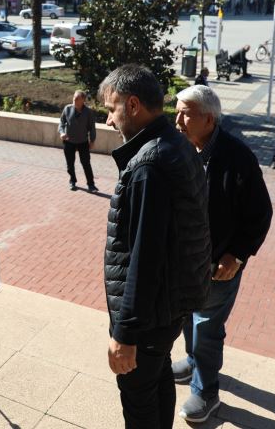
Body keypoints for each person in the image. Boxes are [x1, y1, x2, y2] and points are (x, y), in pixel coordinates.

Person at [99, 64, 211, 429]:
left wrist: (125, 334)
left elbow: (144, 257)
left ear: (133, 105)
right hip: (167, 308)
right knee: (157, 376)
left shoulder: (149, 164)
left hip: (150, 316)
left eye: (111, 109)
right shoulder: (176, 145)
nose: (109, 120)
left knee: (138, 399)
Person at [172, 85, 272, 423]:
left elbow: (260, 213)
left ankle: (206, 391)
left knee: (207, 328)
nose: (177, 120)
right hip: (185, 260)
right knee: (188, 316)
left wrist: (237, 254)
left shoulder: (237, 157)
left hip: (218, 264)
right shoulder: (183, 148)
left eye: (185, 114)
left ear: (209, 119)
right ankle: (192, 361)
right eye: (177, 111)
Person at [59, 90, 98, 192]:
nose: (74, 100)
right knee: (70, 164)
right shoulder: (67, 109)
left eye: (77, 99)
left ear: (83, 100)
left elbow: (92, 128)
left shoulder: (88, 112)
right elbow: (61, 123)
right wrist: (62, 132)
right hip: (68, 141)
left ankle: (91, 185)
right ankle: (72, 181)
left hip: (83, 142)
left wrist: (92, 140)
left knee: (86, 163)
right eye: (74, 98)